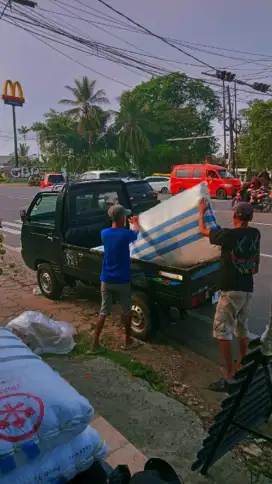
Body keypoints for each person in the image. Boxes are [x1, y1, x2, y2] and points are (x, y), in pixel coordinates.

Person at [198, 200, 261, 391]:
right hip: (247, 287)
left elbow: (203, 230)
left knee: (221, 331)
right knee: (241, 329)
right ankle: (241, 363)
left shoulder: (229, 235)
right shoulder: (255, 233)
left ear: (235, 216)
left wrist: (201, 212)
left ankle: (230, 374)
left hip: (231, 289)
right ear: (250, 218)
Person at [92, 204, 140, 352]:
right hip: (122, 280)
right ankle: (127, 342)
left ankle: (95, 344)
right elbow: (136, 233)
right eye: (124, 216)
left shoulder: (104, 233)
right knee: (126, 311)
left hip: (106, 279)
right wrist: (135, 222)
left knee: (103, 311)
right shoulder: (125, 234)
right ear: (121, 218)